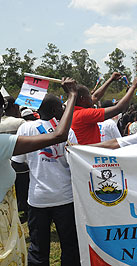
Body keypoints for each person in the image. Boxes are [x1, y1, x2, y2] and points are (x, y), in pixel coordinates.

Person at [0, 78, 78, 265]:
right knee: (70, 246)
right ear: (53, 111)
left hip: (37, 199)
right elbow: (74, 162)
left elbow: (19, 163)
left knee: (38, 248)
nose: (62, 111)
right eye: (60, 107)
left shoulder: (26, 128)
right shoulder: (67, 130)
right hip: (65, 197)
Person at [71, 74, 137, 144]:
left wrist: (111, 79)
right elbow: (119, 108)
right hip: (87, 154)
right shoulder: (84, 114)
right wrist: (133, 87)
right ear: (82, 99)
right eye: (89, 95)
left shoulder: (72, 111)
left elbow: (96, 96)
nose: (91, 97)